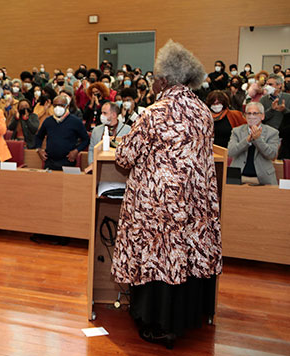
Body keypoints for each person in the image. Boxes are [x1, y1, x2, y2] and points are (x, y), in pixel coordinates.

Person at [112, 40, 222, 348]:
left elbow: (124, 158)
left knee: (157, 259)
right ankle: (183, 320)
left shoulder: (154, 112)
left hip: (157, 207)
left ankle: (156, 323)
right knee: (182, 259)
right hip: (193, 205)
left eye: (155, 76)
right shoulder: (203, 111)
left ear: (165, 79)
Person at [228, 102, 279, 185]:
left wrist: (258, 139)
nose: (251, 116)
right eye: (249, 113)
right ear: (245, 116)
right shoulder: (236, 131)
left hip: (264, 178)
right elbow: (230, 152)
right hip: (238, 177)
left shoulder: (272, 132)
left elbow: (272, 155)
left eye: (255, 113)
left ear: (262, 116)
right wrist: (247, 140)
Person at [35, 95, 89, 170]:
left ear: (67, 106)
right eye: (55, 105)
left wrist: (76, 150)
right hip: (50, 162)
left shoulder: (75, 121)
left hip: (68, 161)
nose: (57, 108)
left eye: (61, 105)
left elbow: (86, 139)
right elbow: (39, 136)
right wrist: (39, 149)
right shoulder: (48, 121)